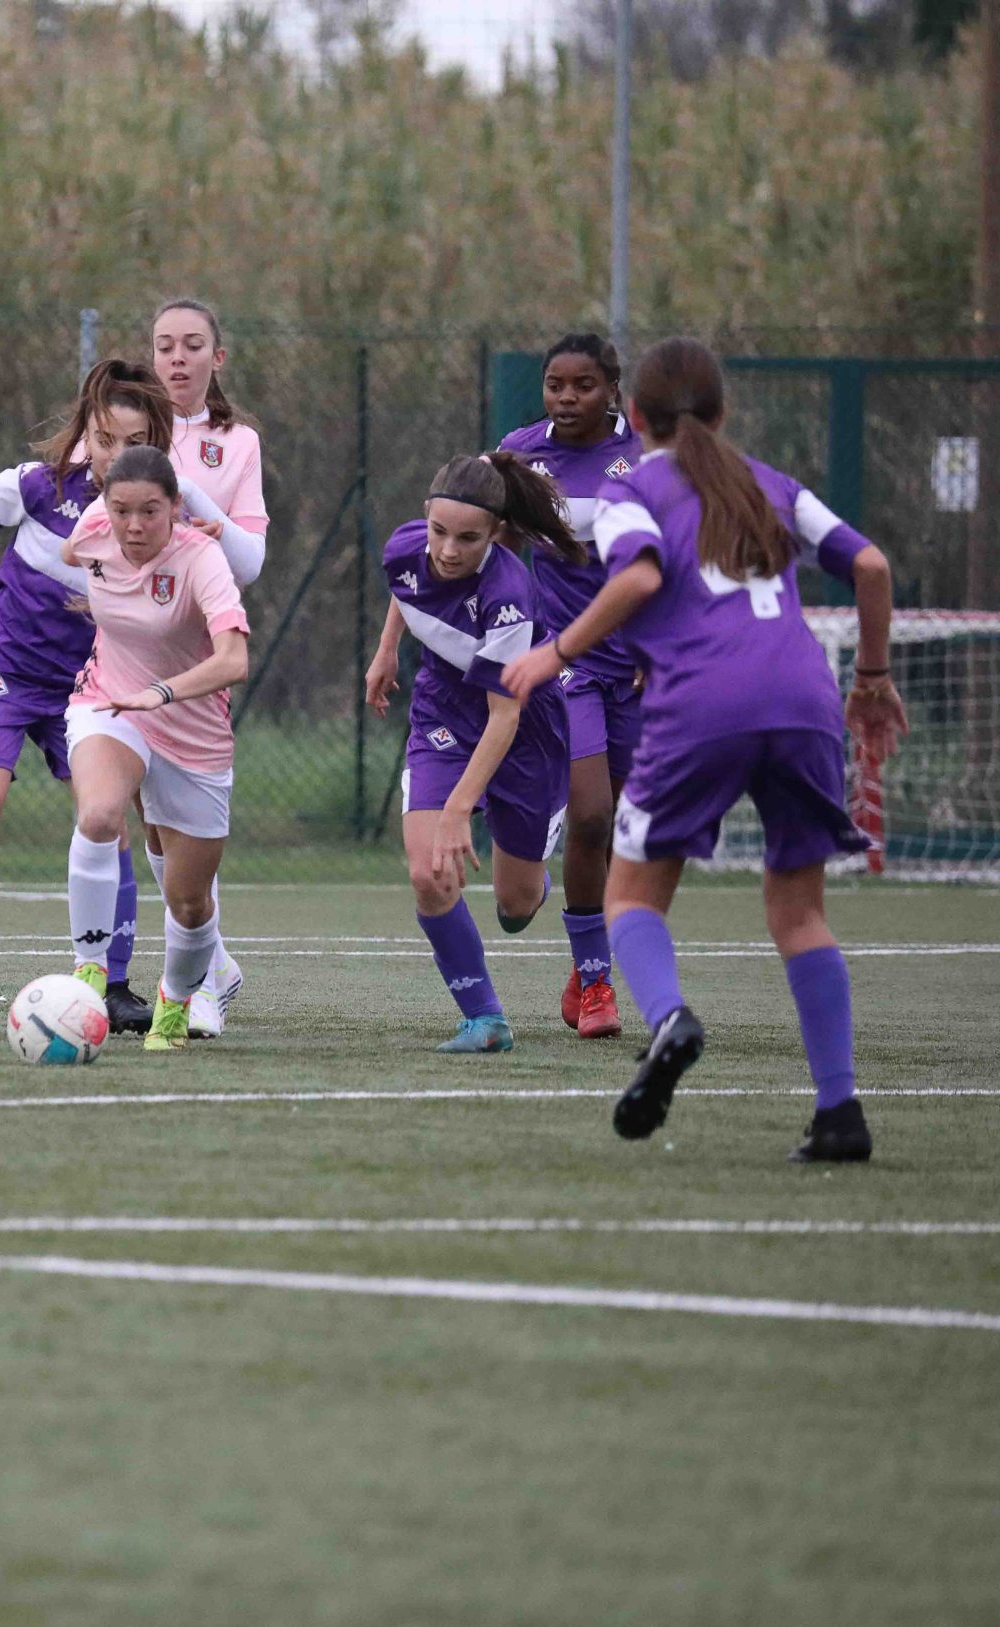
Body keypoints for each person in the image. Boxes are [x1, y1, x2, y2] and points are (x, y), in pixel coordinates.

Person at [503, 336, 906, 1162]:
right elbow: (871, 565)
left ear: (634, 412)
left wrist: (556, 652)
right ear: (722, 413)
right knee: (800, 912)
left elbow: (639, 578)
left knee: (632, 897)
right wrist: (871, 677)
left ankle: (669, 1020)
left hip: (702, 699)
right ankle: (838, 1111)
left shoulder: (633, 489)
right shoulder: (774, 485)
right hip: (804, 699)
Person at [0, 359, 179, 1039]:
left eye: (134, 441)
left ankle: (113, 984)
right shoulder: (41, 485)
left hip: (88, 684)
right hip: (4, 666)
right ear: (87, 431)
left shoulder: (155, 516)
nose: (116, 454)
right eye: (105, 438)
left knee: (107, 818)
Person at [372, 453, 578, 1053]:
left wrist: (461, 807)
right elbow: (405, 589)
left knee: (515, 908)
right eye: (439, 531)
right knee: (428, 874)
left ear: (496, 534)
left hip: (524, 729)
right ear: (425, 518)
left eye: (468, 539)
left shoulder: (508, 593)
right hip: (443, 712)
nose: (448, 550)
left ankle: (534, 883)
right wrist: (387, 648)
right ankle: (485, 1019)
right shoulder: (404, 546)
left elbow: (504, 715)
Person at [57, 444, 250, 1050]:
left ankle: (175, 999)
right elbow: (70, 552)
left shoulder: (201, 558)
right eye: (121, 510)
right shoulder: (95, 529)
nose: (134, 526)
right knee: (98, 815)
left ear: (175, 507)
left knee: (189, 904)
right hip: (110, 702)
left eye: (149, 511)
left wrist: (162, 692)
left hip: (193, 732)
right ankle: (90, 970)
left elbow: (234, 660)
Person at [495, 333, 642, 1039]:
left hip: (639, 668)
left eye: (583, 385)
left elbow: (677, 556)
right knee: (589, 815)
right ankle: (598, 982)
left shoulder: (647, 456)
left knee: (620, 830)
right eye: (555, 384)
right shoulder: (521, 455)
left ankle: (587, 960)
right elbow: (492, 546)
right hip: (565, 662)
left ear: (612, 389)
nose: (567, 397)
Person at [147, 298, 266, 1037]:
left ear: (217, 357)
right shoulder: (125, 429)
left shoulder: (237, 443)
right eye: (165, 345)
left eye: (193, 345)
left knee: (183, 823)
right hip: (126, 641)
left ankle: (201, 981)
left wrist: (195, 507)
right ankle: (210, 965)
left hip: (197, 651)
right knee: (147, 818)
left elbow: (248, 562)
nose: (177, 358)